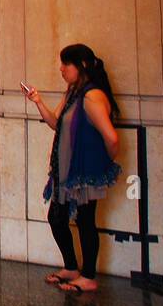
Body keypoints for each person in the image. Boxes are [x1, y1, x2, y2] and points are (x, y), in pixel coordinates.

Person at [24, 44, 121, 293]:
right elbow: (56, 123)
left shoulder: (92, 96)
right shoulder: (74, 92)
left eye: (66, 64)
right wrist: (38, 102)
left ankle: (88, 276)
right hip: (65, 171)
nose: (62, 69)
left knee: (86, 221)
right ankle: (71, 267)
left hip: (84, 172)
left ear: (83, 66)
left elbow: (111, 138)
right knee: (57, 217)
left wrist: (104, 165)